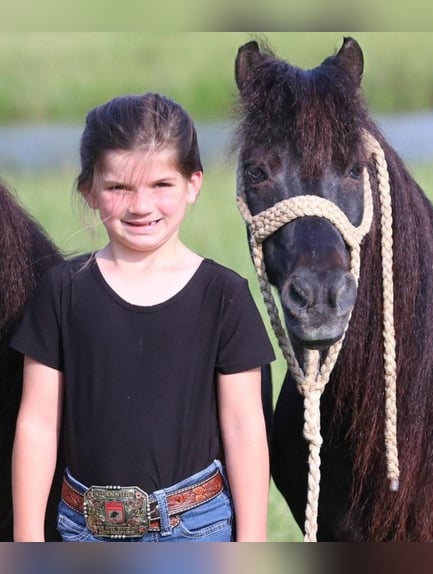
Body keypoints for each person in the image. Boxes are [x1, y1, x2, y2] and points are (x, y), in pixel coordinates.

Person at [11, 93, 274, 542]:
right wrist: (27, 541)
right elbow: (37, 423)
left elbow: (245, 427)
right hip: (83, 529)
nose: (140, 206)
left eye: (161, 185)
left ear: (193, 184)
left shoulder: (225, 296)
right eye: (118, 188)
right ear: (89, 190)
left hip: (197, 529)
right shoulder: (62, 291)